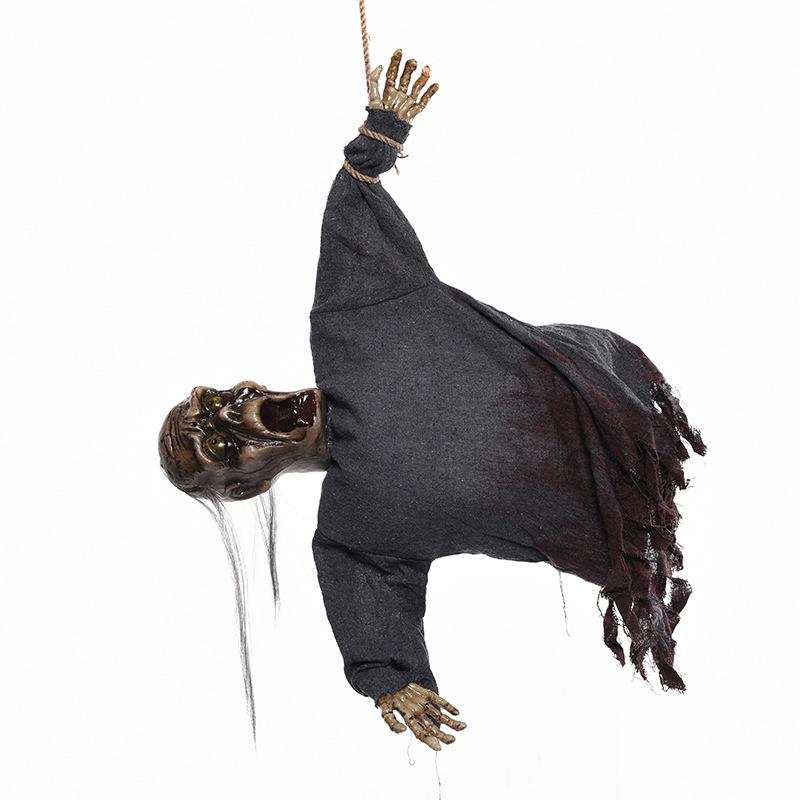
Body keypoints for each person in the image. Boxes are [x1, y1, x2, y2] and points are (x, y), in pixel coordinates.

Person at [158, 51, 705, 751]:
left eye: (218, 403)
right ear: (248, 487)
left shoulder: (352, 323)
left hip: (610, 388)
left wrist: (378, 136)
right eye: (222, 443)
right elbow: (368, 597)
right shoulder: (357, 528)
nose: (236, 412)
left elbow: (351, 207)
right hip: (611, 514)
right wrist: (393, 680)